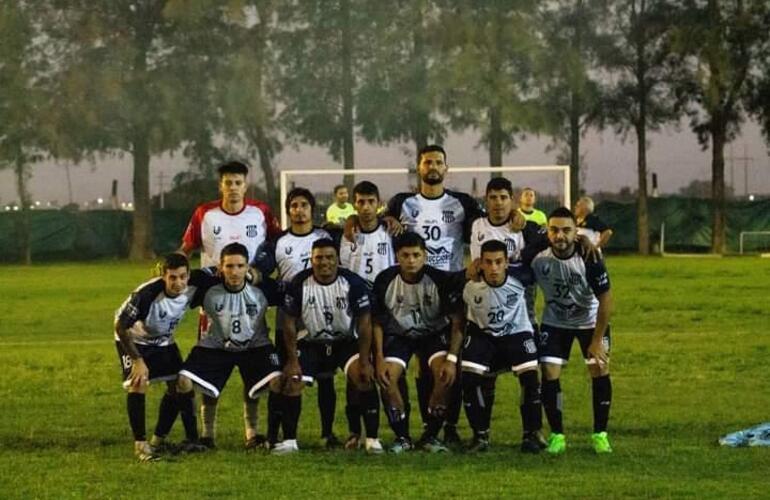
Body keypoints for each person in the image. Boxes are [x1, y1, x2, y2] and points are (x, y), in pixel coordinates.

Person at [178, 160, 281, 450]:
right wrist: (172, 267)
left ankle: (252, 433)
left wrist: (261, 271)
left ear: (246, 185)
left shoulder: (260, 212)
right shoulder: (205, 213)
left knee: (251, 366)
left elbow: (279, 244)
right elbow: (186, 248)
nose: (233, 188)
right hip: (213, 301)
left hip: (250, 299)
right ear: (220, 185)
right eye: (228, 183)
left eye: (238, 182)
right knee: (210, 370)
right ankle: (207, 434)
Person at [177, 243, 286, 450]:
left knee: (277, 381)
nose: (234, 272)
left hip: (255, 346)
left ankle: (263, 437)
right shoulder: (207, 287)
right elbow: (182, 281)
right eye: (229, 266)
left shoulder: (262, 288)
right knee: (183, 381)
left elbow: (291, 295)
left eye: (240, 266)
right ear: (221, 268)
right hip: (216, 346)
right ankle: (202, 438)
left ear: (248, 268)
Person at [280, 239, 383, 454]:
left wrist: (365, 361)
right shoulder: (299, 283)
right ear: (311, 260)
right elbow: (288, 323)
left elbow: (365, 323)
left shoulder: (353, 283)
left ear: (338, 260)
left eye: (329, 257)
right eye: (319, 258)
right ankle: (289, 441)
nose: (324, 262)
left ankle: (372, 439)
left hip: (344, 343)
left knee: (364, 377)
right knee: (293, 381)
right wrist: (292, 360)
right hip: (311, 343)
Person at [530, 207, 614, 454]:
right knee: (549, 372)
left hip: (590, 322)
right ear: (547, 231)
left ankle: (600, 434)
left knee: (599, 367)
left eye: (566, 230)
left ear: (576, 232)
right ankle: (557, 435)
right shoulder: (537, 255)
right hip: (555, 322)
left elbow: (606, 300)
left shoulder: (590, 256)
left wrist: (597, 340)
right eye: (554, 230)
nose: (560, 236)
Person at [372, 232, 464, 453]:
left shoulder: (439, 280)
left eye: (416, 255)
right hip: (400, 335)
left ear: (425, 256)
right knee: (387, 379)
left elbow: (458, 321)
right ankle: (402, 437)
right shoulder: (384, 280)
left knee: (444, 375)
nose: (411, 260)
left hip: (433, 334)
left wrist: (452, 359)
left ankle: (431, 436)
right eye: (405, 255)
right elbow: (376, 322)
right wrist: (379, 358)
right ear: (397, 256)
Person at [264, 187, 342, 449]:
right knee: (282, 377)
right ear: (288, 211)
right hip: (287, 318)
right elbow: (262, 270)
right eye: (294, 206)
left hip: (320, 317)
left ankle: (327, 433)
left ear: (312, 209)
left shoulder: (326, 236)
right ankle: (274, 435)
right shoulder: (278, 241)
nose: (299, 210)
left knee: (325, 377)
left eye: (304, 205)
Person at [114, 253, 203, 461]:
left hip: (162, 339)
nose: (178, 283)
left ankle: (159, 441)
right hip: (132, 337)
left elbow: (221, 272)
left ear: (189, 275)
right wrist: (138, 361)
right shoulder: (147, 295)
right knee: (139, 381)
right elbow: (121, 326)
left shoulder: (196, 283)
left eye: (182, 277)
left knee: (179, 384)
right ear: (163, 276)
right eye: (172, 277)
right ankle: (140, 445)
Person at [461, 240, 546, 453]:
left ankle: (531, 434)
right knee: (470, 379)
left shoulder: (522, 276)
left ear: (507, 262)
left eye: (499, 262)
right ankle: (480, 435)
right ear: (480, 263)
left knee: (530, 377)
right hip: (483, 335)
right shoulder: (468, 283)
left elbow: (542, 243)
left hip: (517, 333)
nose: (494, 268)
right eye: (488, 262)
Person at [469, 177, 543, 327]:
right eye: (493, 197)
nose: (498, 202)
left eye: (503, 197)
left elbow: (552, 237)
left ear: (512, 200)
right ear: (486, 200)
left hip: (517, 296)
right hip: (486, 294)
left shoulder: (523, 228)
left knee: (527, 327)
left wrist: (584, 239)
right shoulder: (476, 224)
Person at [339, 181, 396, 288]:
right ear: (354, 205)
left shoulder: (391, 231)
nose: (366, 207)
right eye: (361, 202)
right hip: (356, 293)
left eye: (371, 201)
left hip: (384, 293)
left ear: (379, 203)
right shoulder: (344, 234)